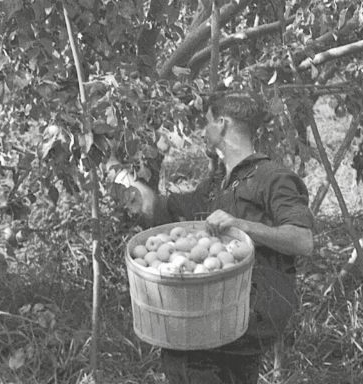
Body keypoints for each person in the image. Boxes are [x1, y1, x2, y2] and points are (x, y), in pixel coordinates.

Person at [117, 95, 315, 384]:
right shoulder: (214, 186)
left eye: (207, 123)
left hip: (250, 311)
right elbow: (158, 209)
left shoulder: (273, 178)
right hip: (219, 310)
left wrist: (240, 225)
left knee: (183, 358)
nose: (203, 131)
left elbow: (302, 240)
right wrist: (115, 173)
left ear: (222, 125)